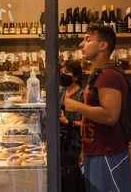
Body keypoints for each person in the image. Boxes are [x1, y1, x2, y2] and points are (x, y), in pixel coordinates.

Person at [64, 24, 131, 192]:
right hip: (95, 152)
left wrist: (76, 106)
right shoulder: (98, 74)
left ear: (103, 46)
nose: (81, 44)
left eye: (88, 39)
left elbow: (110, 116)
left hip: (108, 155)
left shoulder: (109, 75)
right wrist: (84, 151)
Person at [59, 60, 84, 192]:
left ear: (75, 77)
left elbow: (85, 124)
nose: (63, 75)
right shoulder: (61, 91)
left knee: (71, 182)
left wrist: (68, 122)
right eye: (62, 72)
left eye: (67, 72)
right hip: (60, 143)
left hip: (74, 144)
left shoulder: (82, 95)